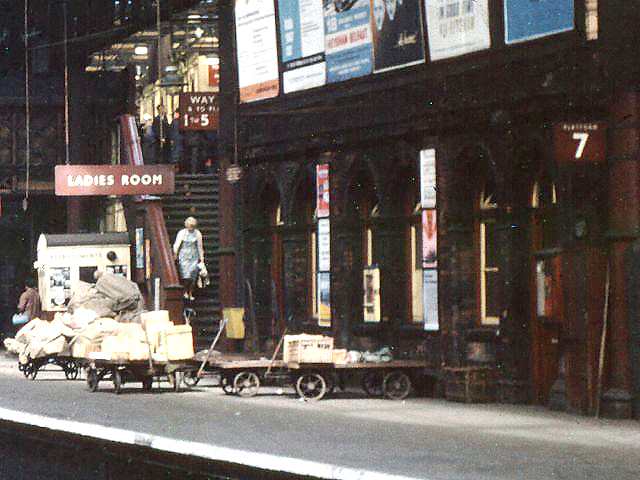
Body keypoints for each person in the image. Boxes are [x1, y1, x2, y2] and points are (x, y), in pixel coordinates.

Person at [173, 217, 205, 301]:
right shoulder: (182, 233)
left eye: (193, 226)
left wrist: (201, 259)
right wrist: (175, 254)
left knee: (193, 276)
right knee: (185, 275)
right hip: (184, 256)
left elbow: (200, 246)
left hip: (194, 256)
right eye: (190, 226)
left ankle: (190, 292)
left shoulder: (197, 233)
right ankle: (185, 291)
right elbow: (176, 245)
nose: (192, 228)